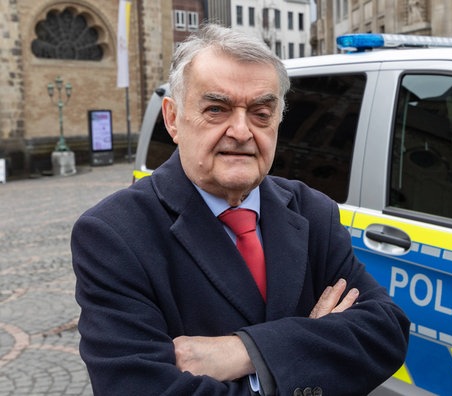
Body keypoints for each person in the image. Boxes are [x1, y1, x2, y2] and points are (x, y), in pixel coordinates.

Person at [71, 24, 409, 395]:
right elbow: (138, 387)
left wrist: (247, 351)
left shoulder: (313, 212)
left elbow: (386, 332)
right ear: (173, 118)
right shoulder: (113, 234)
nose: (242, 131)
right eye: (217, 109)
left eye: (261, 113)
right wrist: (314, 346)